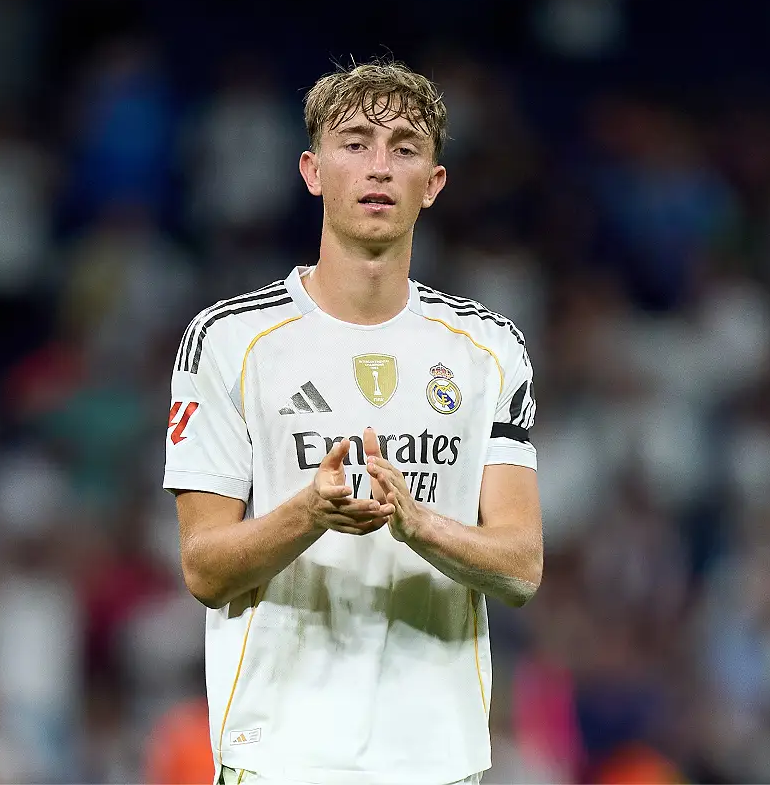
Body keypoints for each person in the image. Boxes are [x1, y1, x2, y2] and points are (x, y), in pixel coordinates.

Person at [164, 58, 543, 785]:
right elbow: (203, 568)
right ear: (311, 171)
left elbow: (521, 567)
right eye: (356, 142)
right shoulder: (229, 339)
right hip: (279, 757)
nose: (379, 165)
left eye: (404, 147)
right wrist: (311, 510)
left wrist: (416, 519)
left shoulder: (489, 349)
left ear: (431, 185)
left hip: (438, 759)